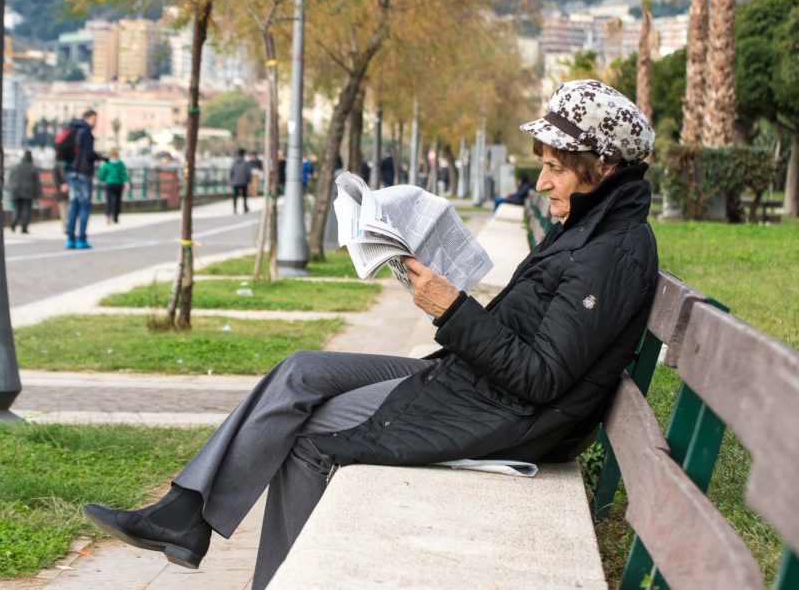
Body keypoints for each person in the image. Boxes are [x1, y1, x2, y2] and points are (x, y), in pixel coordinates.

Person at [83, 79, 658, 589]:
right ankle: (182, 515)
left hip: (506, 415)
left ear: (602, 166)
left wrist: (453, 308)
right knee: (304, 368)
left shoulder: (613, 252)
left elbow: (540, 377)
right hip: (477, 382)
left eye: (555, 168)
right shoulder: (588, 227)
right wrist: (448, 295)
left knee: (308, 441)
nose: (541, 182)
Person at [65, 109, 103, 250]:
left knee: (73, 205)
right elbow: (88, 154)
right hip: (83, 173)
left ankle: (70, 238)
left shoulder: (72, 130)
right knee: (84, 206)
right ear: (87, 118)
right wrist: (99, 157)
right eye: (94, 120)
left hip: (71, 173)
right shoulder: (86, 132)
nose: (95, 123)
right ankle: (81, 238)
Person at [8, 150, 42, 234]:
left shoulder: (15, 167)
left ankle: (14, 221)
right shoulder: (33, 168)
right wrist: (38, 193)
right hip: (28, 191)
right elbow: (36, 182)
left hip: (15, 190)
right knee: (26, 210)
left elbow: (10, 180)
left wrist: (11, 190)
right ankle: (24, 227)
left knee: (16, 208)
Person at [97, 148, 129, 224]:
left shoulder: (106, 164)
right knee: (117, 201)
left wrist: (104, 179)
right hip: (118, 184)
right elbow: (124, 174)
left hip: (109, 184)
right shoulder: (120, 164)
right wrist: (126, 182)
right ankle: (116, 217)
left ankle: (108, 216)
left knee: (109, 201)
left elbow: (101, 175)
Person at [230, 148, 252, 214]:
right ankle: (245, 208)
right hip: (244, 181)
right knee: (244, 196)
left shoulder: (234, 162)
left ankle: (235, 208)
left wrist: (232, 179)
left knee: (235, 196)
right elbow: (248, 172)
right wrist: (248, 179)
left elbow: (231, 172)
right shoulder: (245, 162)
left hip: (235, 181)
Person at [52, 161, 70, 234]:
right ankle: (69, 226)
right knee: (70, 210)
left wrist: (60, 186)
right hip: (70, 189)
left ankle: (65, 227)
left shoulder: (57, 165)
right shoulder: (71, 162)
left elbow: (55, 179)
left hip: (60, 190)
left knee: (63, 210)